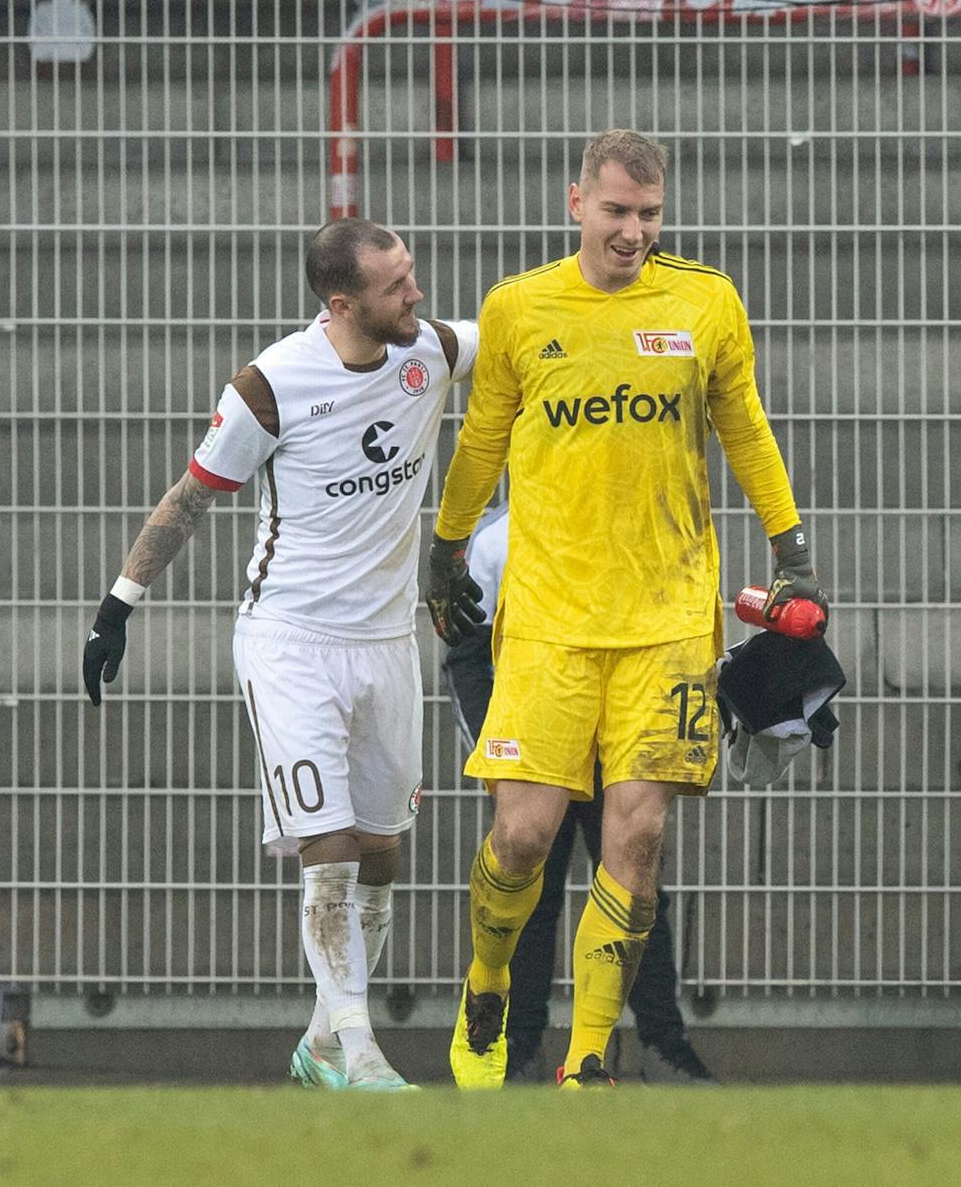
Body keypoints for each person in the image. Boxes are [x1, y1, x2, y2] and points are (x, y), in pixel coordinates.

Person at [422, 130, 826, 1089]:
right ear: (576, 204)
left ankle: (590, 1054)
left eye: (649, 214)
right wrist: (445, 550)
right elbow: (481, 437)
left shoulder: (704, 300)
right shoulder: (520, 307)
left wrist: (792, 551)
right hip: (548, 619)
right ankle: (486, 982)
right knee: (522, 835)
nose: (634, 232)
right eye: (616, 212)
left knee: (637, 835)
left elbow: (746, 426)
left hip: (668, 617)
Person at [83, 219, 479, 1091]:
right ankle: (363, 1048)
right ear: (342, 305)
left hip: (386, 644)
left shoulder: (434, 350)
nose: (415, 295)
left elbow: (535, 346)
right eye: (395, 286)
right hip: (290, 642)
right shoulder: (271, 385)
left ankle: (321, 1044)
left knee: (381, 852)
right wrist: (119, 605)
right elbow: (191, 497)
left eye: (412, 275)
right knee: (328, 844)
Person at [442, 502, 715, 1084]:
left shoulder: (628, 516)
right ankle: (518, 1051)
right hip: (540, 750)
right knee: (530, 894)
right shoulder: (496, 539)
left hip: (615, 745)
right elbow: (468, 656)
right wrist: (499, 756)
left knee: (638, 890)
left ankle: (663, 1048)